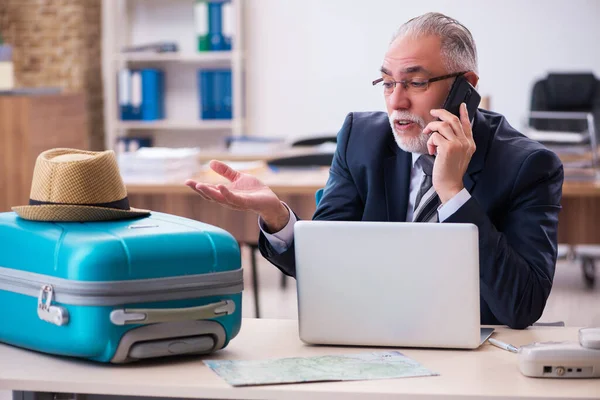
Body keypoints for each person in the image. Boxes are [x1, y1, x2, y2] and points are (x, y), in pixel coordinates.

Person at [185, 12, 564, 329]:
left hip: (474, 350)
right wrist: (277, 215)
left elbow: (522, 306)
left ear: (466, 87)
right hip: (372, 339)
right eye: (386, 83)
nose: (396, 101)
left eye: (416, 82)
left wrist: (452, 192)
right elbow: (326, 264)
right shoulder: (361, 139)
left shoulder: (529, 166)